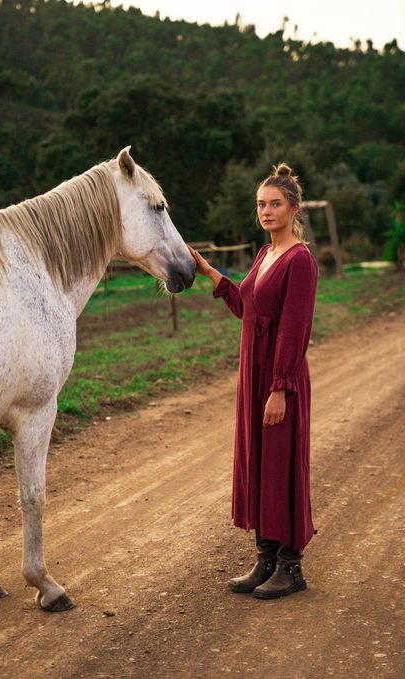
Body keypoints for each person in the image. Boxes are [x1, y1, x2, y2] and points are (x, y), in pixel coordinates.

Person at [188, 164, 318, 599]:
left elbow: (294, 329)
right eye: (261, 204)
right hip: (253, 375)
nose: (266, 211)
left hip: (280, 379)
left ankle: (291, 567)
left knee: (282, 463)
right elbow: (249, 309)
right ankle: (265, 559)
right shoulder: (265, 254)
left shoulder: (300, 260)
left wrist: (280, 387)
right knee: (259, 461)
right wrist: (210, 272)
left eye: (275, 204)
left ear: (293, 209)